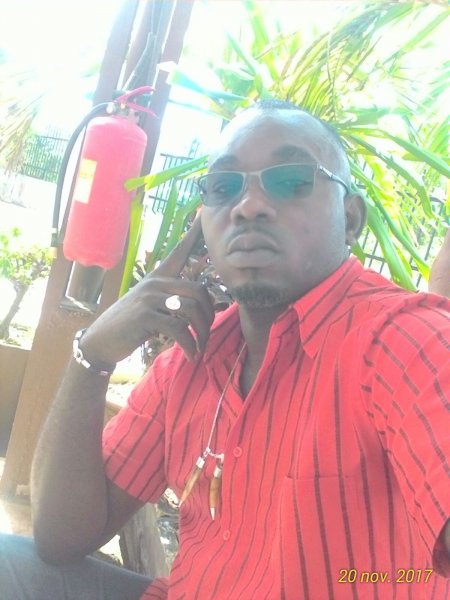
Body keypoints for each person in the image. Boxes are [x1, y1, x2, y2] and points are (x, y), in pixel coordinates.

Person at [0, 100, 449, 600]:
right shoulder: (192, 359)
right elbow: (62, 536)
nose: (249, 205)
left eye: (291, 180)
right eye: (223, 186)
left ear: (349, 217)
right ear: (202, 227)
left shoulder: (401, 338)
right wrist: (93, 354)